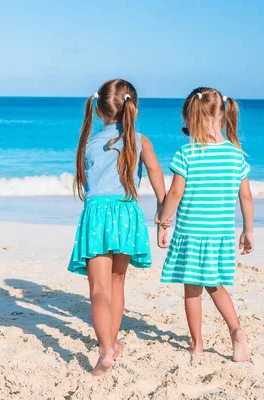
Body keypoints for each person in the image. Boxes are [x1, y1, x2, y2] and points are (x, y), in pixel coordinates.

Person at [68, 79, 167, 375]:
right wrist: (163, 208)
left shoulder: (89, 142)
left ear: (98, 111)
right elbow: (155, 173)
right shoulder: (140, 140)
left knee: (98, 290)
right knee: (117, 283)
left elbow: (88, 183)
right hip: (127, 213)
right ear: (133, 107)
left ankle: (106, 350)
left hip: (97, 214)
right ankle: (112, 341)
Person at [157, 87, 254, 362]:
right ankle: (236, 331)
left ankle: (197, 345)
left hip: (191, 233)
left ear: (192, 119)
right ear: (223, 116)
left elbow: (175, 194)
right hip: (220, 234)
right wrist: (248, 230)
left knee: (192, 290)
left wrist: (164, 222)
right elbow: (245, 196)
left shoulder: (186, 154)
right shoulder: (235, 155)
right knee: (215, 285)